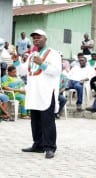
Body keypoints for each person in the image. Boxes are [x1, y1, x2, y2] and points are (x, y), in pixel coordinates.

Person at [21, 29, 61, 159]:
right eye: (34, 38)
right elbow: (22, 71)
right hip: (34, 92)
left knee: (47, 121)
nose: (36, 40)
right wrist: (16, 61)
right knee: (35, 121)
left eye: (39, 37)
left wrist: (42, 64)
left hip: (46, 92)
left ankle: (50, 147)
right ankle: (38, 145)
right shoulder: (32, 55)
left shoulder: (53, 54)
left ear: (45, 39)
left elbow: (55, 71)